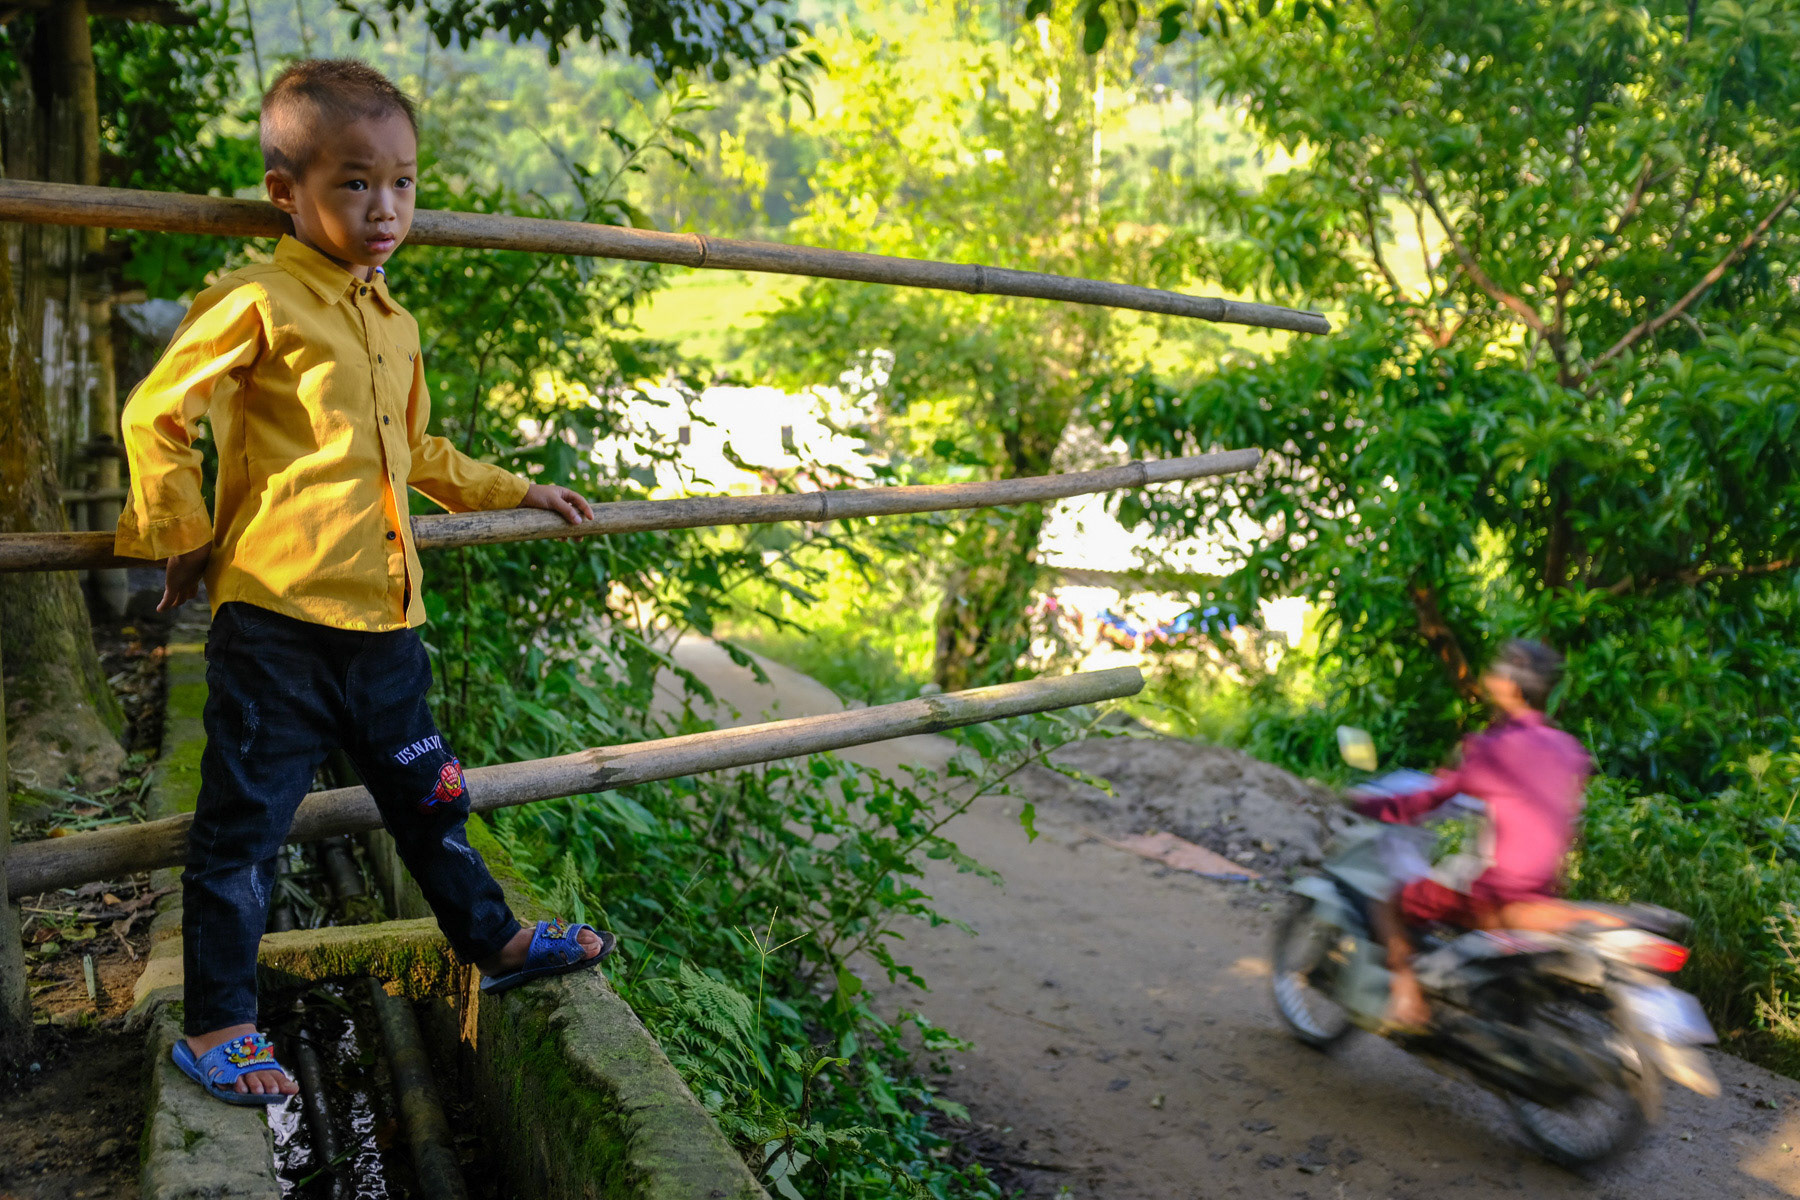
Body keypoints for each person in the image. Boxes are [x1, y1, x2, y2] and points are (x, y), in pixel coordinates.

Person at [117, 59, 615, 1105]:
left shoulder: (392, 320)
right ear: (284, 192)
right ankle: (219, 1023)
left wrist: (522, 486)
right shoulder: (257, 300)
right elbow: (156, 412)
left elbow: (418, 452)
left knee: (431, 799)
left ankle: (497, 940)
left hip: (387, 622)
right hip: (279, 624)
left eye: (403, 183)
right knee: (243, 830)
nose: (384, 207)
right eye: (353, 182)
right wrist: (180, 528)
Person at [1353, 639, 1591, 1028]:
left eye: (1496, 670)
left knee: (1389, 902)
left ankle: (1406, 995)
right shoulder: (1570, 749)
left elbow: (1431, 798)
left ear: (1510, 687)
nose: (1488, 676)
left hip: (1496, 894)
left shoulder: (1496, 746)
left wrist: (1365, 803)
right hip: (1544, 892)